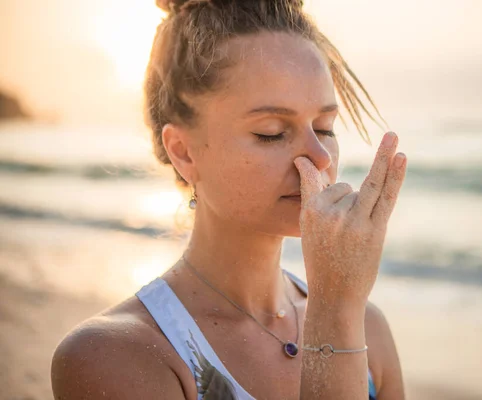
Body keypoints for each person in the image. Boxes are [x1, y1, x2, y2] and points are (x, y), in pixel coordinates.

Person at [51, 0, 408, 398]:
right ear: (184, 151)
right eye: (271, 132)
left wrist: (339, 307)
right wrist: (335, 310)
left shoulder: (368, 329)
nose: (320, 157)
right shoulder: (113, 355)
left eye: (324, 128)